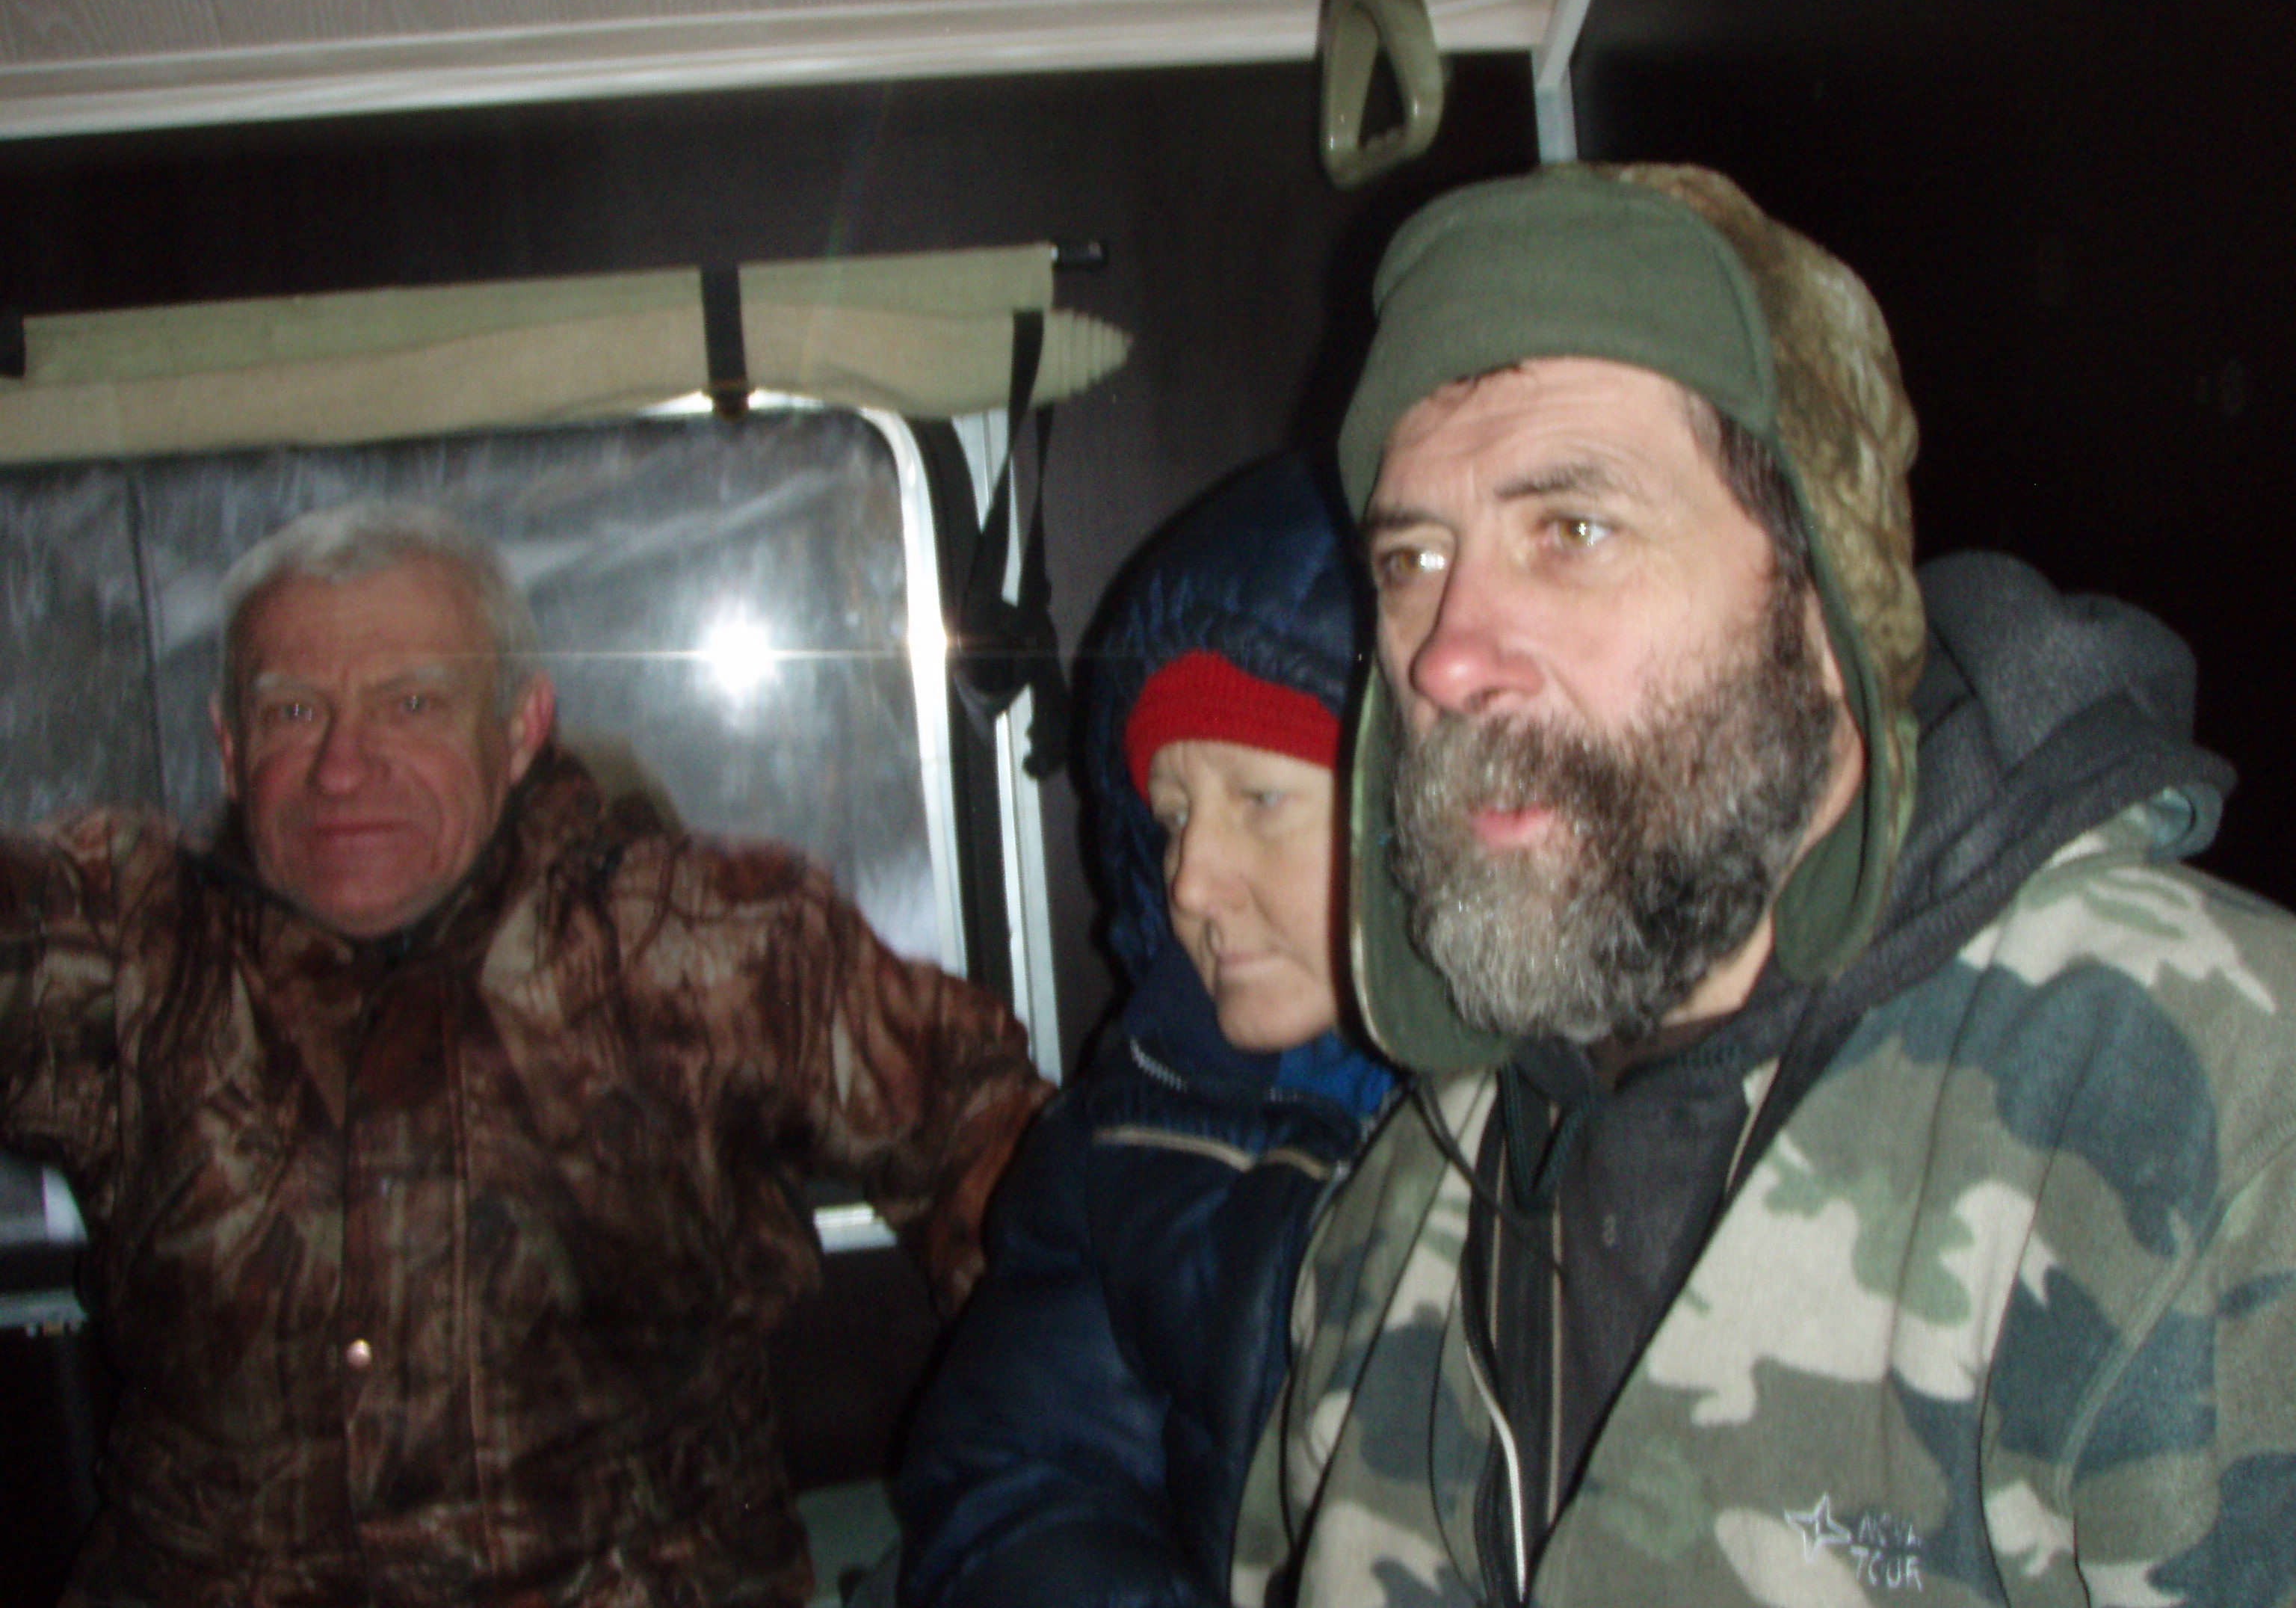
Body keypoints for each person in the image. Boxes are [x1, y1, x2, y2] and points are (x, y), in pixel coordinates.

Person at [1230, 164, 2296, 1605]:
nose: (1448, 653)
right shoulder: (1411, 1199)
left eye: (1574, 531)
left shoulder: (2201, 1111)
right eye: (1413, 557)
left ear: (1824, 598)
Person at [0, 499, 1050, 1608]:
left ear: (519, 731)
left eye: (410, 703)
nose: (341, 768)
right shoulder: (130, 940)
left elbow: (998, 1156)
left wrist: (1056, 1481)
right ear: (228, 749)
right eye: (294, 710)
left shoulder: (703, 937)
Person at [895, 457, 1396, 1608]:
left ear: (1404, 814)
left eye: (1260, 800)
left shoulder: (1540, 1117)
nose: (1190, 882)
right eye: (1171, 817)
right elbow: (1016, 1486)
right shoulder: (1134, 1123)